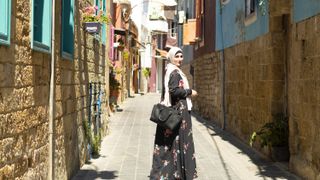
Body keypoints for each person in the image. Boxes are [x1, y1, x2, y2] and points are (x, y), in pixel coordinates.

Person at [150, 47, 198, 179]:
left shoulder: (170, 70)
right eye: (177, 56)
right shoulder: (175, 73)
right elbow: (174, 91)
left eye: (181, 56)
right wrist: (189, 92)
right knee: (179, 142)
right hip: (178, 113)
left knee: (172, 143)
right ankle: (177, 174)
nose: (180, 59)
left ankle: (172, 173)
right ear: (171, 57)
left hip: (176, 112)